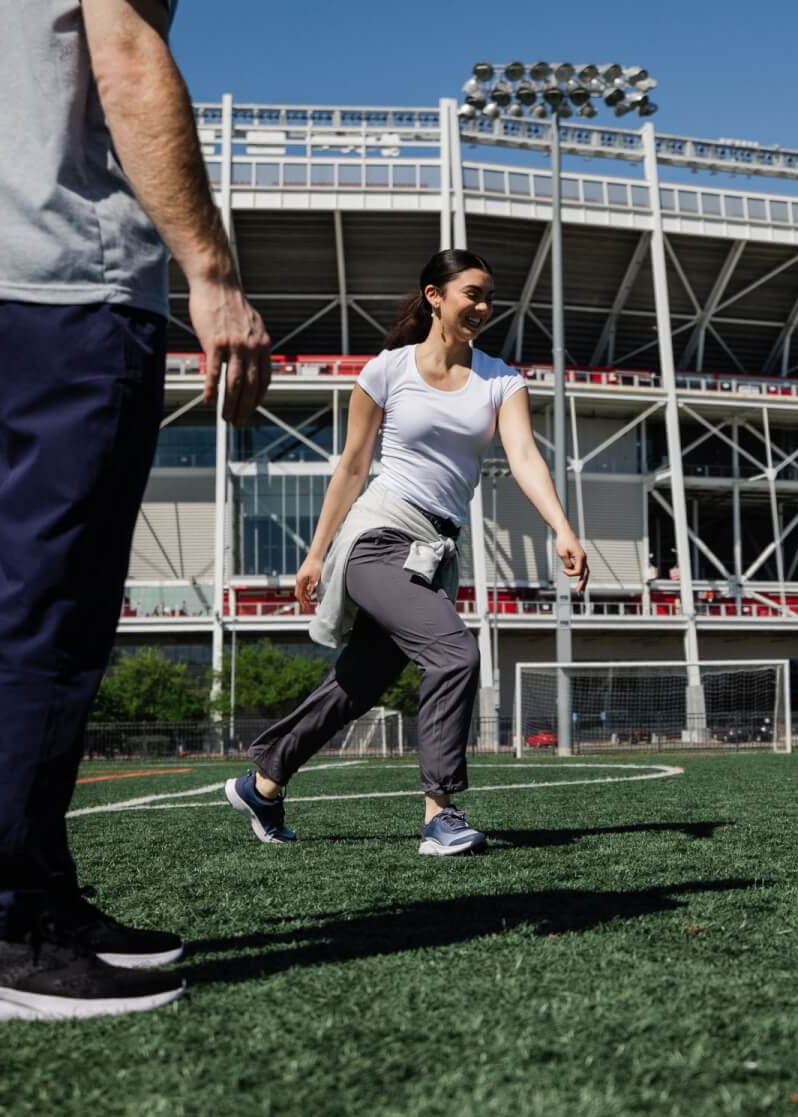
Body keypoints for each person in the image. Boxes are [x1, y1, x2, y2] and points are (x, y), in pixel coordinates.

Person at [0, 0, 272, 1025]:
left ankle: (33, 895)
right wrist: (211, 270)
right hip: (71, 277)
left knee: (20, 608)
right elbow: (127, 54)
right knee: (52, 614)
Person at [224, 249, 589, 854]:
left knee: (359, 684)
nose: (482, 306)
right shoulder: (387, 370)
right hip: (378, 536)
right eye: (471, 293)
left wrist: (562, 527)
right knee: (455, 653)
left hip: (435, 553)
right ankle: (439, 814)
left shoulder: (501, 380)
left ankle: (263, 782)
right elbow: (352, 465)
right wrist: (316, 554)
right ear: (434, 297)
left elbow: (525, 456)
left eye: (488, 297)